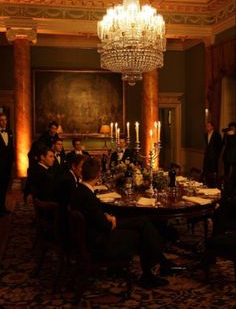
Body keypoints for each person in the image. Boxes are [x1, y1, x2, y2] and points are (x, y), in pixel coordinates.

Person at [70, 157, 178, 289]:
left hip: (88, 235)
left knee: (142, 222)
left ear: (82, 173)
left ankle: (159, 264)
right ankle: (150, 273)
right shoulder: (87, 196)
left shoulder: (79, 190)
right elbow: (105, 226)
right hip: (97, 242)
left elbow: (92, 214)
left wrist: (105, 215)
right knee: (141, 230)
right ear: (98, 175)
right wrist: (111, 220)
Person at [0, 113, 14, 216]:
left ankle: (3, 207)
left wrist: (12, 161)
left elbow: (11, 148)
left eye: (5, 120)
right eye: (1, 120)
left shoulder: (9, 132)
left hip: (7, 166)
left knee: (4, 187)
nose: (4, 122)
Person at [203, 121, 222, 187]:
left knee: (213, 169)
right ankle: (207, 182)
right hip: (207, 155)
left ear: (212, 127)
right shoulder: (206, 134)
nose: (207, 127)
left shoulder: (217, 134)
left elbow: (220, 146)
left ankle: (214, 183)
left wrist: (216, 154)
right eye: (206, 126)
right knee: (206, 168)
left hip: (214, 155)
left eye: (208, 126)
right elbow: (207, 145)